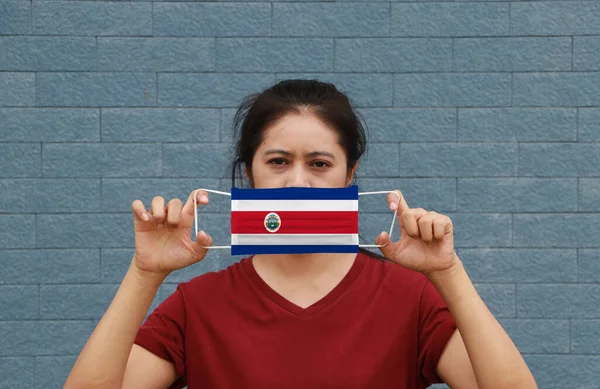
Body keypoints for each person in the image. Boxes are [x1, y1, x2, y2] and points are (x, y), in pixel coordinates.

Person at [64, 80, 538, 389]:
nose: (297, 182)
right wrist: (144, 272)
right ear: (249, 175)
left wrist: (448, 273)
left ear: (349, 176)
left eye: (319, 164)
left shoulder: (410, 299)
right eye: (277, 162)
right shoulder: (198, 304)